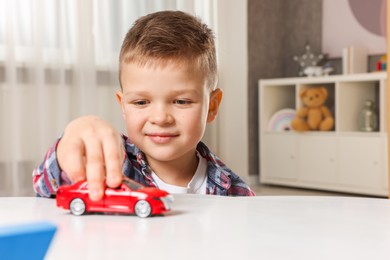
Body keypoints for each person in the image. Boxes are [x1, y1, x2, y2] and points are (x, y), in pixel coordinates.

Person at [33, 10, 255, 200]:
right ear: (123, 105)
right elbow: (47, 188)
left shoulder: (234, 192)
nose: (160, 118)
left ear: (213, 106)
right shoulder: (110, 164)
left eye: (181, 101)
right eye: (141, 102)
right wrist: (71, 142)